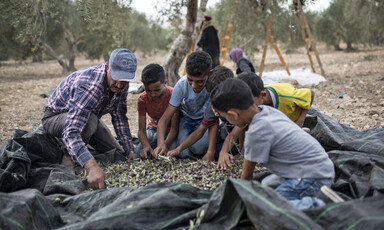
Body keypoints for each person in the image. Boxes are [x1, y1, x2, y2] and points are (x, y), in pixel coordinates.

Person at [210, 78, 335, 210]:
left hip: (314, 176)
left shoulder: (256, 132)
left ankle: (318, 205)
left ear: (233, 114)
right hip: (320, 166)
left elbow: (246, 178)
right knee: (267, 183)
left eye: (225, 117)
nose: (227, 120)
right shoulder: (266, 110)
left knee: (271, 207)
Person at [42, 48, 138, 190]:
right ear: (107, 67)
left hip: (88, 117)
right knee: (88, 124)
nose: (119, 85)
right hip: (56, 118)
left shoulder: (123, 86)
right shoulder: (89, 86)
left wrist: (129, 150)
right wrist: (91, 166)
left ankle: (83, 146)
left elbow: (119, 117)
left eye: (124, 80)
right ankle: (67, 156)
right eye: (116, 77)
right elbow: (71, 131)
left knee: (116, 153)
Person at [219, 72, 315, 170]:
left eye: (249, 102)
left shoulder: (288, 97)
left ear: (263, 96)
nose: (243, 106)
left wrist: (300, 121)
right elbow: (234, 134)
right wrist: (223, 152)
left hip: (295, 113)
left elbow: (310, 93)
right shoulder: (249, 108)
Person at [166, 66, 237, 162]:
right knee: (187, 153)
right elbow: (200, 131)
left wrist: (237, 152)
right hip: (231, 131)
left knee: (228, 149)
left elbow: (239, 130)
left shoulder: (239, 101)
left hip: (245, 134)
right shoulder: (213, 104)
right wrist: (178, 149)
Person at [154, 51, 212, 159]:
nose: (194, 85)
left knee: (198, 148)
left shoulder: (213, 85)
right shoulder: (181, 85)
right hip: (186, 119)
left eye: (200, 81)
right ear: (186, 73)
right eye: (190, 80)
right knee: (184, 154)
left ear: (209, 74)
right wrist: (161, 143)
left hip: (205, 121)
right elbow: (164, 119)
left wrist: (210, 152)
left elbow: (213, 120)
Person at [135, 64, 179, 158]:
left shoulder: (173, 95)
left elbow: (174, 129)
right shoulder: (142, 99)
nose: (153, 94)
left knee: (170, 152)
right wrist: (146, 146)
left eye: (156, 90)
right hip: (152, 129)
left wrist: (164, 145)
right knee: (140, 153)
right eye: (148, 90)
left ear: (165, 83)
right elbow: (141, 131)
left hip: (169, 131)